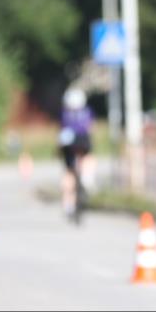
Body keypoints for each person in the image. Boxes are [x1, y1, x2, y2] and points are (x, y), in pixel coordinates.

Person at [58, 87, 94, 219]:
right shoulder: (87, 111)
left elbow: (61, 131)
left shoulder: (64, 113)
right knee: (88, 157)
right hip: (83, 140)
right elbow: (90, 127)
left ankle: (67, 204)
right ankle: (87, 177)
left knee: (68, 172)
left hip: (67, 142)